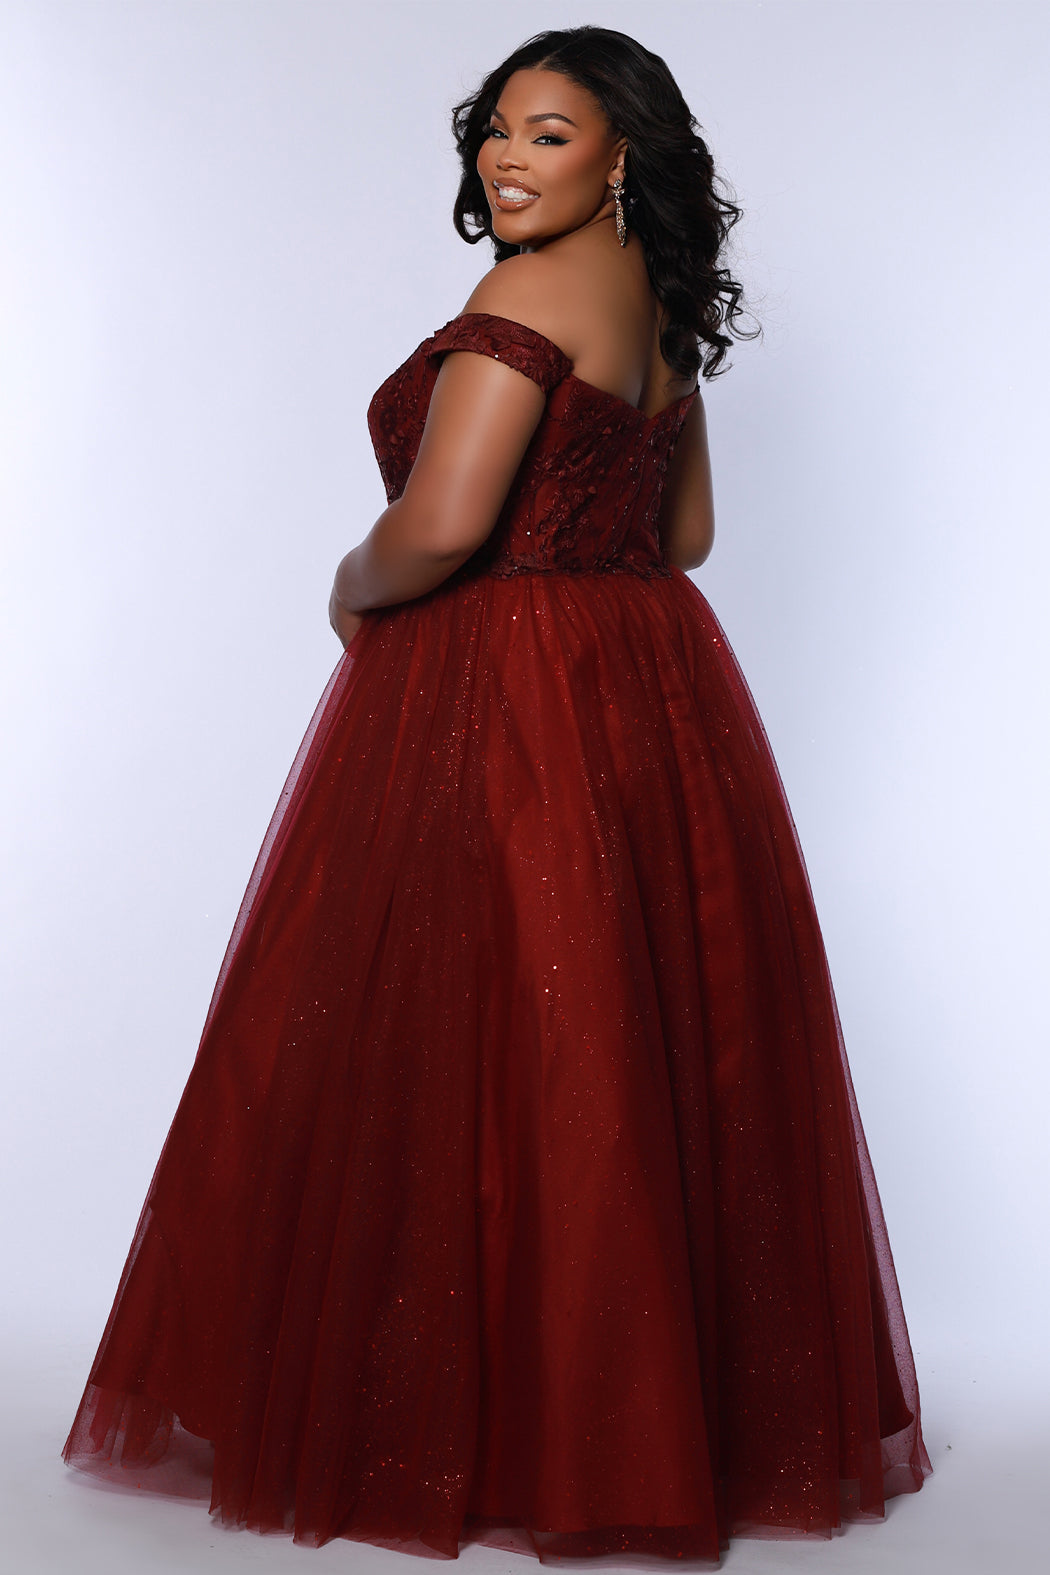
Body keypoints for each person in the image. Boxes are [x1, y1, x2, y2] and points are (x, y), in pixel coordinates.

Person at [61, 24, 932, 1566]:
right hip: (645, 678)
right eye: (497, 130)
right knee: (612, 1031)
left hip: (504, 683)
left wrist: (350, 581)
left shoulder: (518, 299)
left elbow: (443, 523)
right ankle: (625, 1423)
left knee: (467, 1032)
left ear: (620, 156)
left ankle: (472, 1430)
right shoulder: (657, 309)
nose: (507, 160)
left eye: (547, 133)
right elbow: (685, 540)